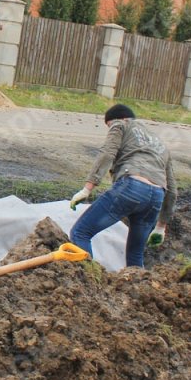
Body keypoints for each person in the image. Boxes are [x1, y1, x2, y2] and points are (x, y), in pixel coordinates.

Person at [69, 103, 176, 268]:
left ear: (122, 118)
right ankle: (138, 289)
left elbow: (107, 153)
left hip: (132, 187)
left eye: (109, 126)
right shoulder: (160, 144)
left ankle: (88, 281)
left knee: (80, 233)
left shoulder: (120, 124)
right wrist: (161, 226)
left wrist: (87, 188)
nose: (110, 130)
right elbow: (172, 189)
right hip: (156, 197)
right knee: (135, 255)